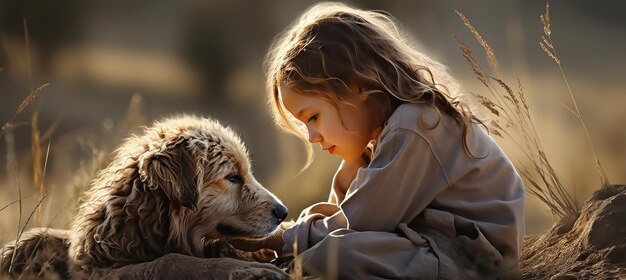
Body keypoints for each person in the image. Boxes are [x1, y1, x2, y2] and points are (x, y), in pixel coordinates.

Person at [236, 2, 525, 279]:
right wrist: (353, 166)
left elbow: (358, 224)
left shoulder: (415, 125)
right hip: (433, 244)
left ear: (358, 86)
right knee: (327, 247)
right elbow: (348, 214)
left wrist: (282, 237)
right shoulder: (385, 135)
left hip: (468, 258)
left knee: (336, 254)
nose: (312, 137)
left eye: (313, 117)